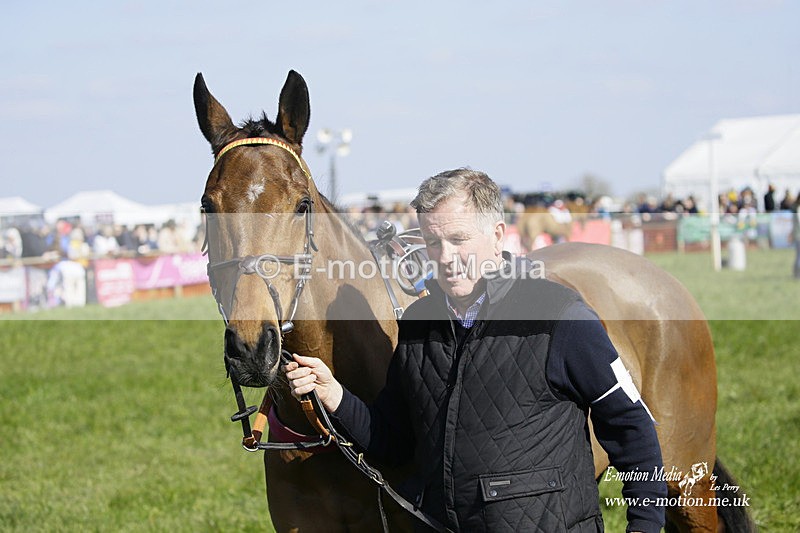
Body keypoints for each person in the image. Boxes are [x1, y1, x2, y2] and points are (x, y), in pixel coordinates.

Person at [284, 168, 666, 532]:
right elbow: (394, 440)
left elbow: (632, 427)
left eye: (459, 240)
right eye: (433, 242)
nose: (446, 257)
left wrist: (645, 526)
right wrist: (334, 395)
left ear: (498, 235)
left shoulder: (561, 316)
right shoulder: (418, 325)